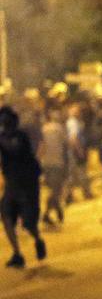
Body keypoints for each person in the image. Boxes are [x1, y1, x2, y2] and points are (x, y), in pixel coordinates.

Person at [0, 106, 47, 269]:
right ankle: (17, 253)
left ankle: (38, 240)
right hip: (12, 185)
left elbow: (14, 149)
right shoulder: (3, 137)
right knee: (6, 217)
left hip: (27, 186)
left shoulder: (20, 137)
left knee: (28, 223)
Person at [39, 109, 69, 228]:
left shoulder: (43, 129)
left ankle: (56, 210)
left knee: (53, 189)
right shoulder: (58, 128)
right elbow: (66, 143)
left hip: (46, 163)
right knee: (56, 190)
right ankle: (47, 214)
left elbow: (41, 147)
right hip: (57, 162)